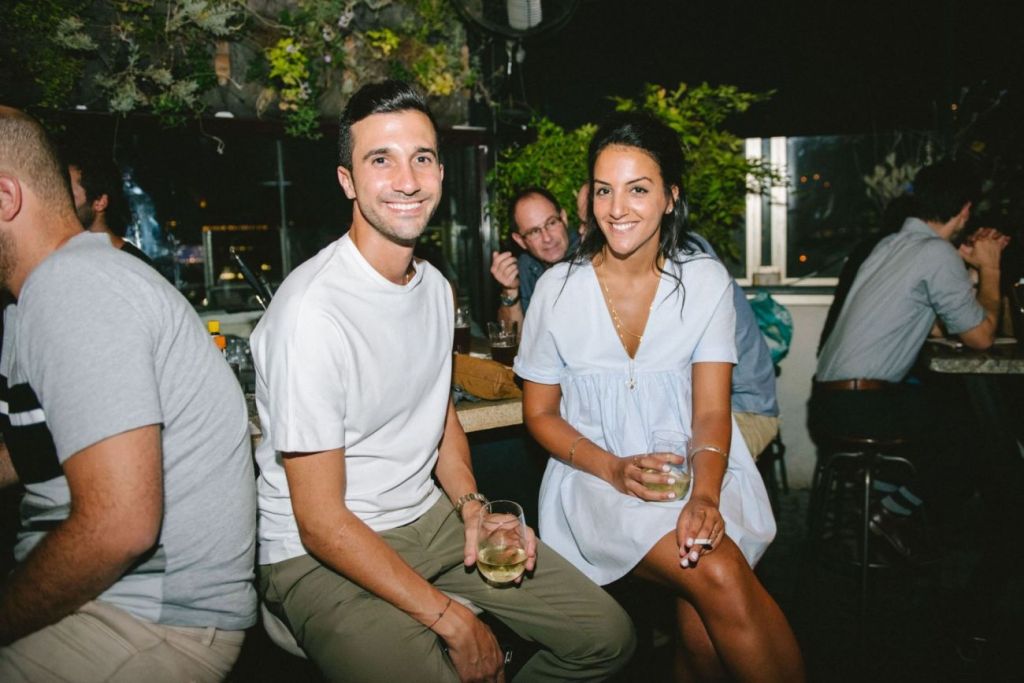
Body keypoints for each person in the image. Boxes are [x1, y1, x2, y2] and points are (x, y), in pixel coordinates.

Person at [250, 80, 634, 683]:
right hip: (319, 552)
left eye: (422, 158)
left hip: (427, 518)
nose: (407, 180)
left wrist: (472, 507)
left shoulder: (434, 288)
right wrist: (452, 619)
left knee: (607, 638)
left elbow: (440, 415)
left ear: (440, 173)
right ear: (347, 180)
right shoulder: (311, 314)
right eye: (381, 160)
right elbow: (320, 521)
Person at [516, 111, 804, 682]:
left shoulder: (704, 282)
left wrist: (707, 495)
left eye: (638, 189)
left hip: (700, 468)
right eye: (604, 190)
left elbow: (712, 410)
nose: (617, 208)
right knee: (716, 570)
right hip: (596, 480)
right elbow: (540, 414)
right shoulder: (556, 291)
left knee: (703, 635)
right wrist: (613, 468)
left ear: (671, 197)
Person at [0, 107, 257, 680]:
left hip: (144, 617)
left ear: (5, 197)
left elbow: (120, 527)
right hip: (120, 603)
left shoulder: (75, 288)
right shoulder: (37, 296)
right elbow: (41, 443)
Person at [811, 160, 1009, 561]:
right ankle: (888, 513)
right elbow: (981, 337)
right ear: (966, 210)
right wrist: (990, 268)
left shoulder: (891, 245)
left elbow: (933, 327)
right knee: (980, 438)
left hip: (832, 401)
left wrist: (966, 271)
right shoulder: (935, 254)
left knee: (948, 417)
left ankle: (878, 505)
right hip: (861, 406)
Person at [489, 186, 574, 326]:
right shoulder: (525, 266)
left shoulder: (592, 256)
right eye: (534, 232)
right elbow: (515, 336)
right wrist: (510, 291)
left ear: (564, 218)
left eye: (552, 223)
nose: (547, 238)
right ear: (520, 241)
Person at [63, 146, 154, 266]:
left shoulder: (135, 264)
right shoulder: (67, 255)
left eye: (70, 196)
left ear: (100, 202)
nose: (62, 203)